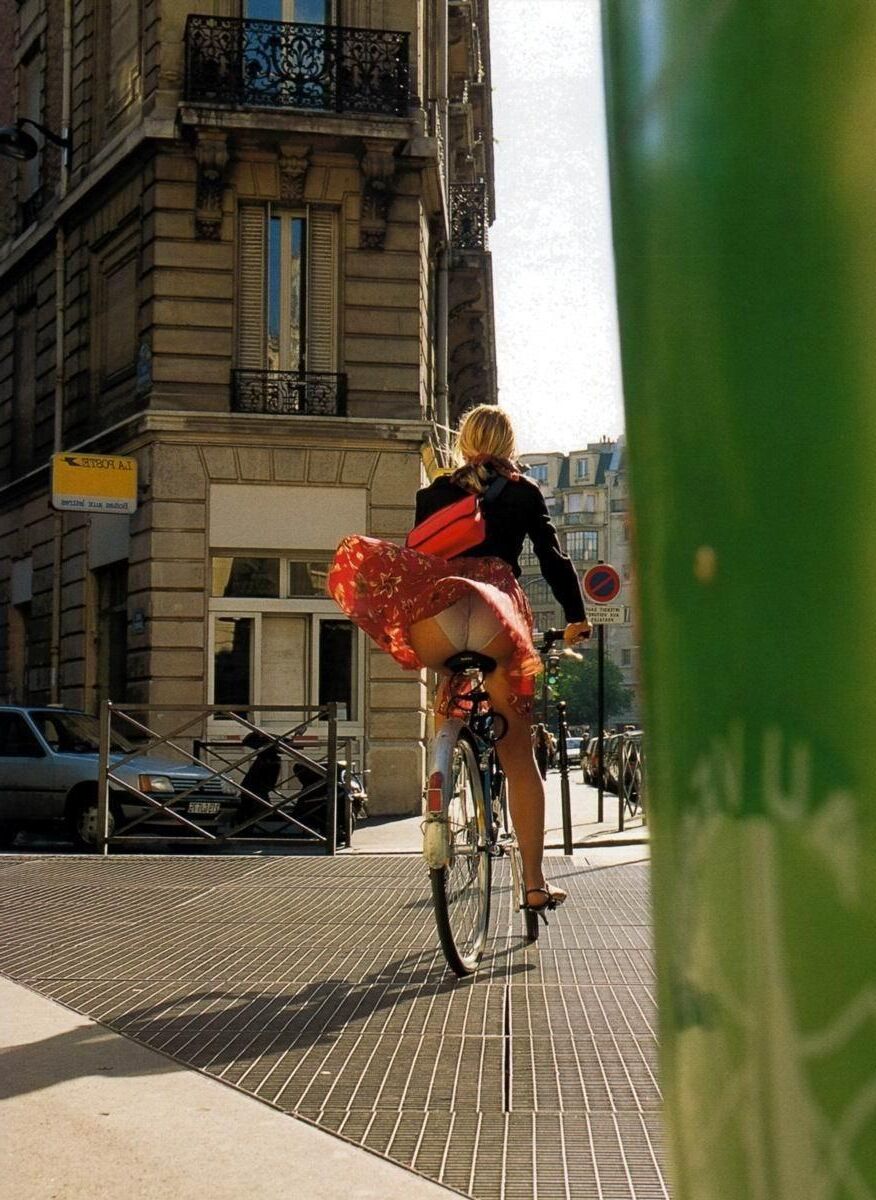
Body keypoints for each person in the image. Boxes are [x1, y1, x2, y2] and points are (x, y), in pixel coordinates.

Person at [328, 405, 590, 916]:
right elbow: (553, 559)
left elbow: (422, 554)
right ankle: (534, 884)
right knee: (518, 755)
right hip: (495, 611)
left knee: (448, 699)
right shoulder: (522, 491)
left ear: (463, 443)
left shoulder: (434, 492)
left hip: (440, 609)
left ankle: (443, 765)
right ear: (509, 446)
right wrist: (576, 617)